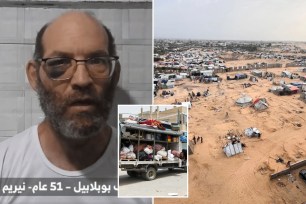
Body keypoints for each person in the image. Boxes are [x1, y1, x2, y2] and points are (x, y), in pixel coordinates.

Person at [0, 11, 150, 204]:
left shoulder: (147, 162)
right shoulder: (5, 164)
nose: (82, 80)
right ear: (34, 76)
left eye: (97, 61)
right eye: (60, 62)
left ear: (115, 75)